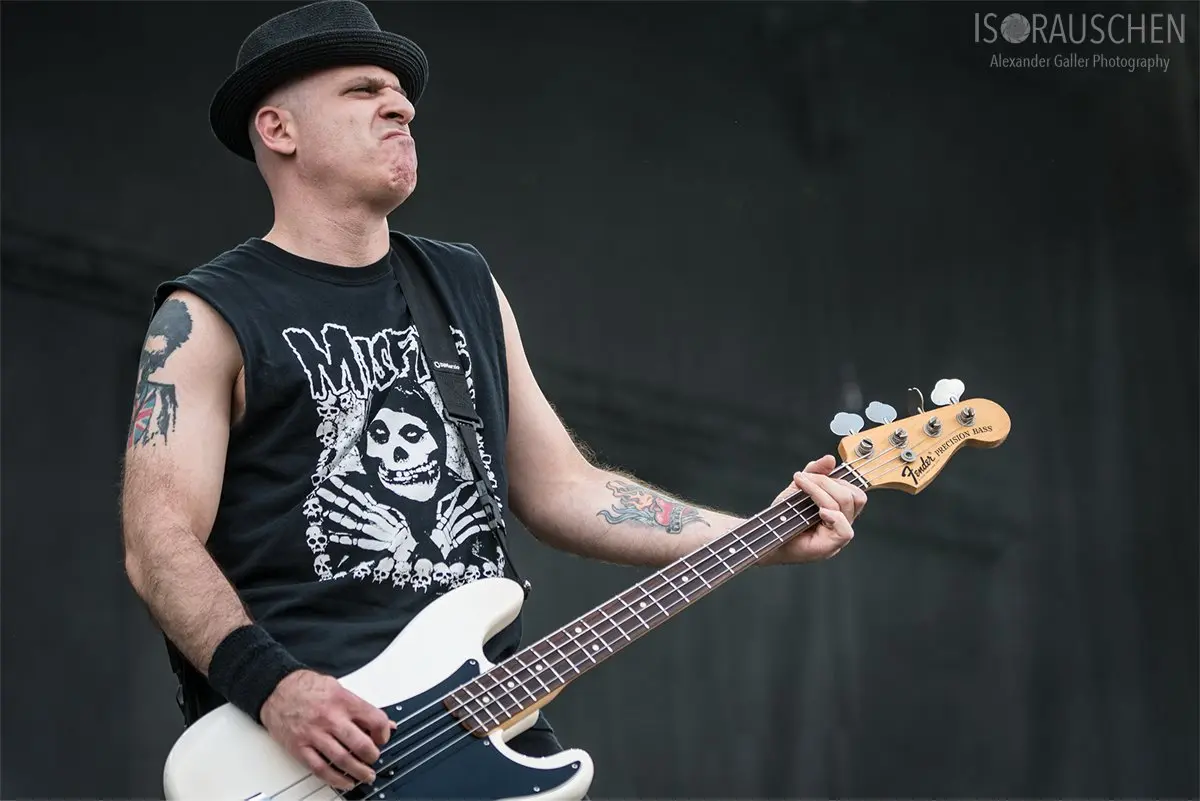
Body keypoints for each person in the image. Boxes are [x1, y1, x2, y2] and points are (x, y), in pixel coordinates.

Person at [118, 0, 868, 794]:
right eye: (364, 89)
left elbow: (565, 488)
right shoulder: (206, 317)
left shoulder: (461, 286)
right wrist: (274, 686)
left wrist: (755, 535)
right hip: (310, 750)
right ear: (278, 129)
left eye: (402, 93)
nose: (401, 107)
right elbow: (158, 539)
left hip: (483, 720)